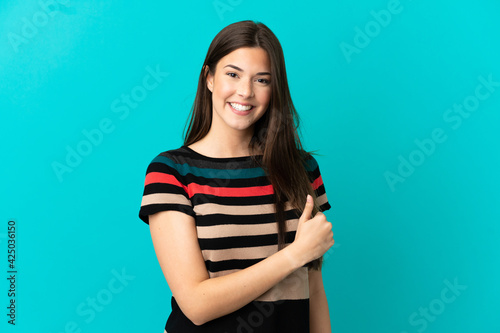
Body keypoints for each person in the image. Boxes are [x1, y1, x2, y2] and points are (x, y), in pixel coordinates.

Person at [139, 20, 334, 333]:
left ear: (275, 89)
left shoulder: (302, 170)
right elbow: (197, 305)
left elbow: (314, 290)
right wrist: (294, 255)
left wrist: (303, 259)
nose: (245, 91)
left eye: (262, 80)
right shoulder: (172, 172)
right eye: (233, 74)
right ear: (210, 78)